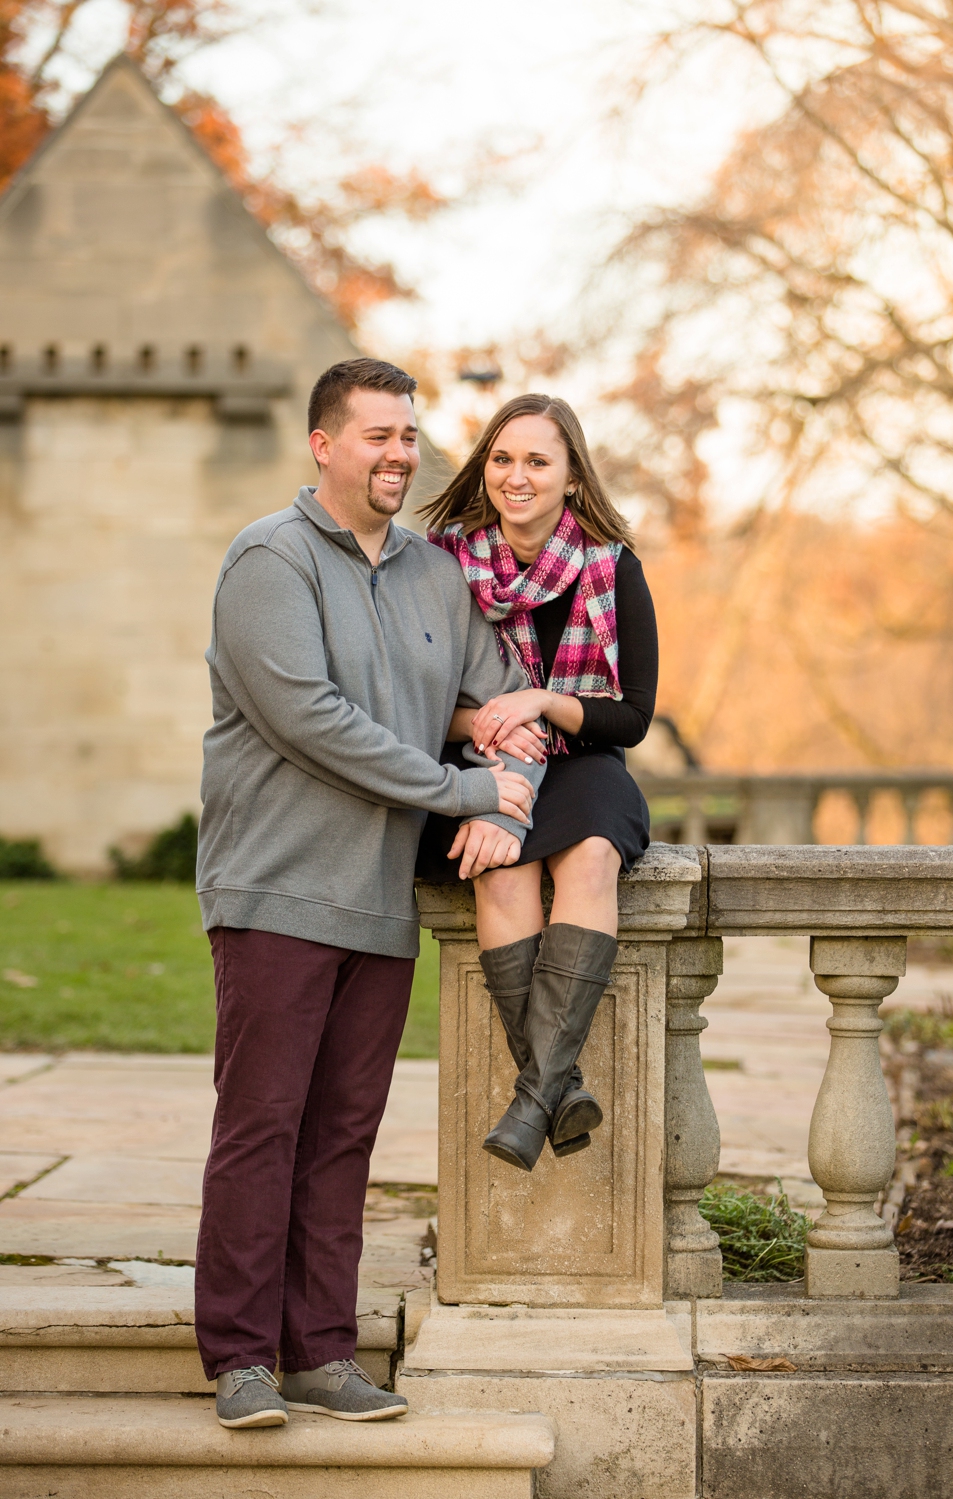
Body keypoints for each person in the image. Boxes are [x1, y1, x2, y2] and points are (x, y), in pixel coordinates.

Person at [196, 359, 543, 1430]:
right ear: (324, 444)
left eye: (408, 435)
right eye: (376, 435)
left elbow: (493, 695)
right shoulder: (270, 558)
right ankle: (242, 1357)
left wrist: (514, 776)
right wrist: (462, 789)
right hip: (278, 886)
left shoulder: (437, 575)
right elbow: (314, 719)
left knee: (344, 1131)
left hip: (378, 895)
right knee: (263, 1125)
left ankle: (321, 1351)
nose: (399, 454)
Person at [415, 393, 657, 1173]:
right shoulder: (441, 562)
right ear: (485, 468)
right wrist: (487, 725)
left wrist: (545, 702)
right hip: (480, 758)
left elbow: (633, 716)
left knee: (589, 856)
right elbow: (415, 695)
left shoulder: (611, 564)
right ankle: (559, 1085)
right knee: (500, 868)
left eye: (537, 461)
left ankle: (531, 1100)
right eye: (502, 458)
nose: (517, 476)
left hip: (584, 761)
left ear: (571, 478)